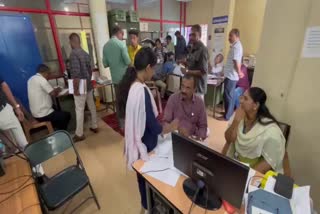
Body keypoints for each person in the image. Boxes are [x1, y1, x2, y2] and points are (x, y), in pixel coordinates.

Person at [117, 47, 178, 213]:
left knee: (141, 182)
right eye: (155, 68)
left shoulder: (132, 85)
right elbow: (154, 127)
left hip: (137, 142)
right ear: (149, 67)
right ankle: (151, 207)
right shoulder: (141, 91)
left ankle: (144, 206)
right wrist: (171, 127)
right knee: (159, 172)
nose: (155, 72)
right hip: (146, 145)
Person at [223, 87, 285, 173]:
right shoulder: (239, 115)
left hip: (253, 174)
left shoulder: (270, 130)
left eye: (245, 99)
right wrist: (236, 121)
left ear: (255, 105)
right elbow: (228, 139)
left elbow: (267, 163)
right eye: (242, 97)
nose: (241, 101)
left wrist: (245, 177)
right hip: (235, 166)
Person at [0, 78, 46, 182]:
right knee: (19, 146)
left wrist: (16, 107)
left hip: (3, 112)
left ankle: (40, 175)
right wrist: (16, 107)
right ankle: (38, 175)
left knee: (17, 145)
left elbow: (4, 85)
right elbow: (4, 85)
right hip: (3, 112)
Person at [69, 33, 98, 142]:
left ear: (72, 42)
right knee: (91, 105)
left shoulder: (73, 54)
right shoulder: (86, 54)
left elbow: (75, 73)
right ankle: (94, 126)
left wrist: (75, 89)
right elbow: (90, 71)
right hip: (88, 82)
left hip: (79, 84)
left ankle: (79, 133)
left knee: (79, 109)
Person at [164, 74, 208, 140]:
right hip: (174, 137)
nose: (183, 90)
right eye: (182, 86)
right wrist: (172, 128)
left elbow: (203, 127)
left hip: (192, 139)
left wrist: (197, 138)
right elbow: (165, 123)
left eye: (188, 88)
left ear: (194, 89)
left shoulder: (199, 103)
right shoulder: (173, 98)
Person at [103, 26, 131, 128]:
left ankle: (122, 125)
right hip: (125, 79)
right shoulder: (121, 45)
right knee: (128, 101)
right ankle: (130, 123)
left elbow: (105, 64)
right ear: (119, 33)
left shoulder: (105, 46)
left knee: (119, 102)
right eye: (122, 35)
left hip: (115, 79)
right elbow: (128, 62)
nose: (122, 37)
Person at [28, 64, 71, 130]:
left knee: (56, 108)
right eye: (48, 73)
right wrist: (58, 89)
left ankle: (56, 128)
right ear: (45, 73)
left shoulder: (31, 79)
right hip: (43, 114)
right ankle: (61, 132)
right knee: (66, 115)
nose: (49, 76)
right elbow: (53, 93)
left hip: (35, 113)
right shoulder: (42, 80)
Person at [180, 25, 209, 100]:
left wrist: (187, 71)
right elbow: (193, 64)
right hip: (191, 85)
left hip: (198, 88)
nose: (191, 37)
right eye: (190, 35)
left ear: (200, 35)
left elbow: (203, 72)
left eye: (194, 35)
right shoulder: (192, 48)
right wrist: (185, 63)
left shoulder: (203, 50)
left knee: (197, 110)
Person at [223, 29, 243, 120]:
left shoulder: (237, 46)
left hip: (231, 76)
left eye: (231, 36)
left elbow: (236, 60)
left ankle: (227, 116)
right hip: (229, 75)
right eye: (229, 36)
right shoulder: (235, 46)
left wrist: (239, 72)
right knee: (227, 95)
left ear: (236, 36)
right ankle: (228, 112)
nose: (229, 38)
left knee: (228, 96)